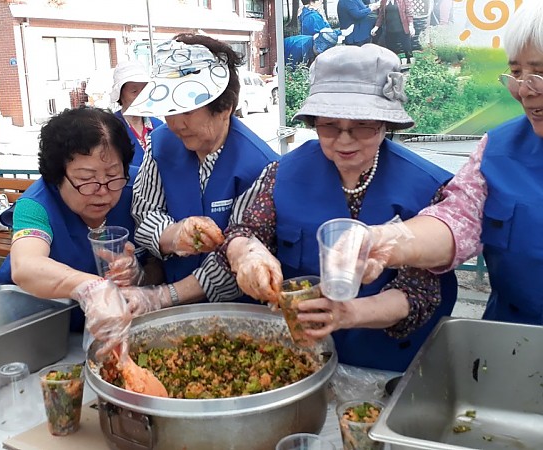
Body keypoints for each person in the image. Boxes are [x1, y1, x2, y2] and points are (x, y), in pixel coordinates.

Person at [218, 44, 458, 372]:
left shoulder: (428, 187)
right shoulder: (281, 174)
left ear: (386, 123)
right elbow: (245, 230)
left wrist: (348, 314)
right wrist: (248, 255)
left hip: (390, 364)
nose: (345, 140)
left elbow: (419, 291)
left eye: (362, 126)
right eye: (329, 126)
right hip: (301, 356)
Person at [362, 2, 543, 327]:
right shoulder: (497, 148)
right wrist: (383, 241)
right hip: (512, 340)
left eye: (540, 73)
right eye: (516, 74)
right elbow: (457, 219)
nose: (526, 91)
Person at [123, 34, 279, 313]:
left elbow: (234, 260)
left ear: (226, 108)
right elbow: (144, 213)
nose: (175, 124)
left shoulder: (260, 165)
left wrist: (162, 297)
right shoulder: (161, 145)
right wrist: (174, 234)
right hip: (169, 296)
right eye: (169, 110)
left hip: (234, 312)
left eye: (188, 111)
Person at [0, 107, 143, 351]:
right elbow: (25, 266)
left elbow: (156, 260)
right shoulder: (36, 206)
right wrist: (92, 287)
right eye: (86, 179)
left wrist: (138, 274)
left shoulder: (137, 187)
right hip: (36, 332)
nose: (103, 190)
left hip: (109, 334)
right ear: (56, 175)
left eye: (113, 174)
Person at [110, 61, 163, 167]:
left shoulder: (159, 126)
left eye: (144, 90)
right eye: (134, 91)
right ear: (120, 95)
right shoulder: (110, 127)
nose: (141, 97)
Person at [371, 0, 415, 64]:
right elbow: (381, 15)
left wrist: (411, 25)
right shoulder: (383, 1)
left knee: (407, 48)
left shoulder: (403, 1)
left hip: (402, 29)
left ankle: (410, 65)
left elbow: (409, 12)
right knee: (392, 50)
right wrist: (376, 27)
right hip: (390, 30)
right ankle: (395, 66)